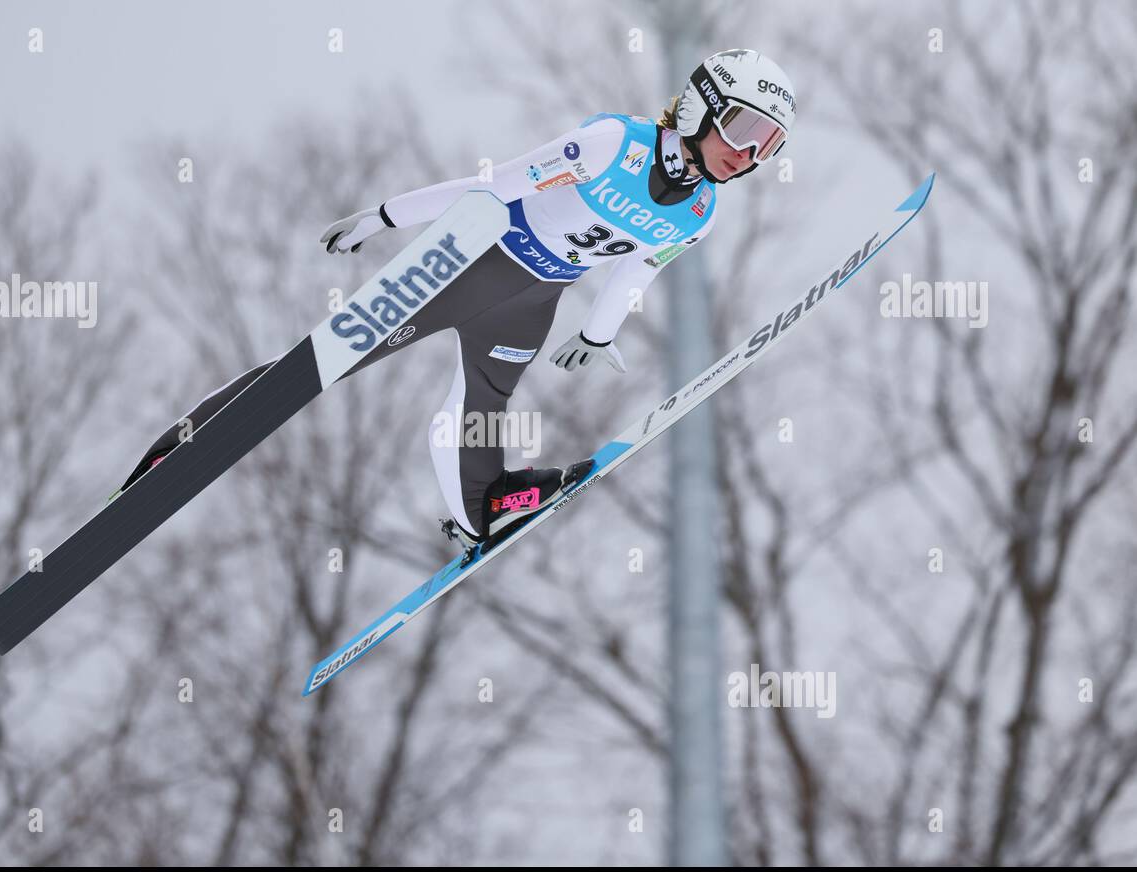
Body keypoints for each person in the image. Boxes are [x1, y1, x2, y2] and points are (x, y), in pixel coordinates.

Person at [117, 48, 796, 550]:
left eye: (767, 144)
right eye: (742, 128)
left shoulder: (700, 213)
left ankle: (483, 510)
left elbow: (638, 270)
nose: (748, 153)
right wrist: (384, 217)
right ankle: (184, 443)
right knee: (327, 362)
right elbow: (494, 187)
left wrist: (598, 334)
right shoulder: (613, 144)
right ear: (703, 102)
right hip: (474, 262)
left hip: (536, 299)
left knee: (483, 408)